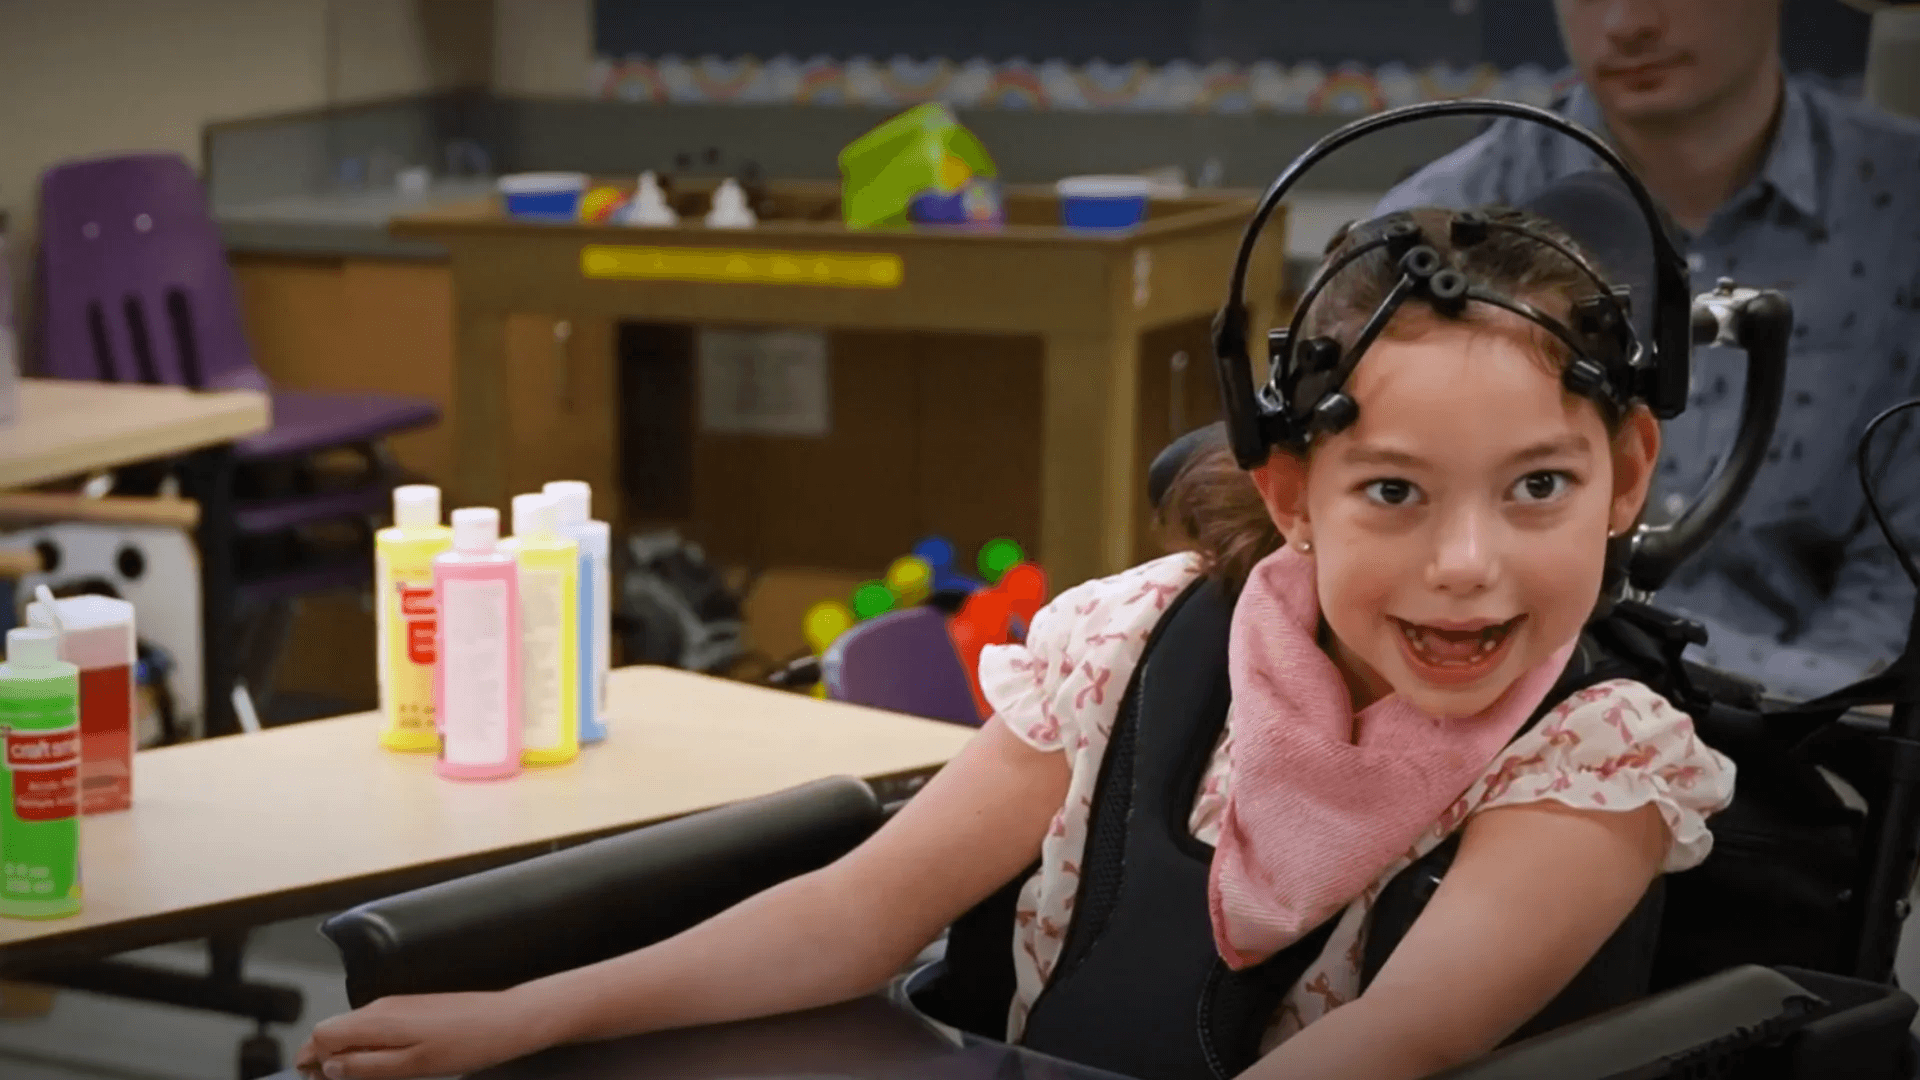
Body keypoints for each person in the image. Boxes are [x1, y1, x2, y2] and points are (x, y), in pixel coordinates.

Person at [296, 209, 1734, 1080]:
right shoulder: (1132, 641)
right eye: (1395, 494)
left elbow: (1394, 1043)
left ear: (1625, 475)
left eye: (1537, 488)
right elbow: (857, 917)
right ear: (1294, 495)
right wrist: (528, 1018)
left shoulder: (1600, 761)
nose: (1469, 565)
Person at [1379, 0, 1920, 702]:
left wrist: (1801, 721)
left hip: (1821, 724)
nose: (1625, 23)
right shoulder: (1428, 232)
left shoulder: (1902, 208)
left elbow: (1899, 576)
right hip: (1512, 709)